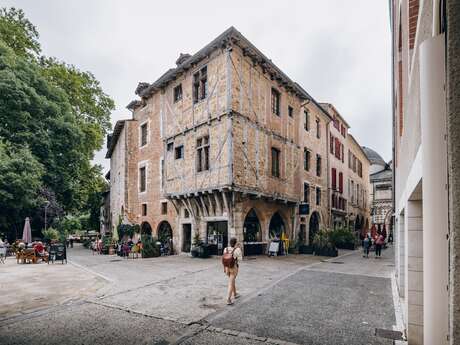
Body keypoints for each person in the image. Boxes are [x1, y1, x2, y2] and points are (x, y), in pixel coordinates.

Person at [222, 237, 243, 305]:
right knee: (231, 282)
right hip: (233, 268)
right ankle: (228, 299)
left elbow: (224, 258)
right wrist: (239, 249)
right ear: (236, 243)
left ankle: (235, 294)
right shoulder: (237, 250)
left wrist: (225, 268)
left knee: (232, 280)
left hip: (227, 268)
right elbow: (240, 259)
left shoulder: (226, 249)